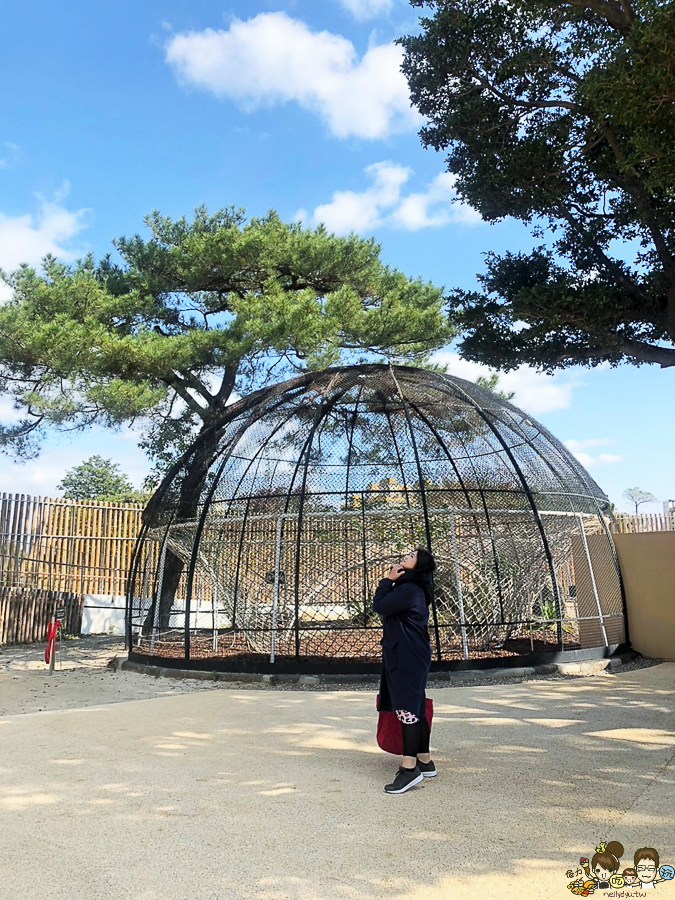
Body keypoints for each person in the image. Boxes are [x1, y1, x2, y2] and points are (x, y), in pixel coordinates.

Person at [372, 547, 436, 794]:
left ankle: (409, 769)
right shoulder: (413, 588)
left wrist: (387, 580)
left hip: (406, 655)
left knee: (407, 709)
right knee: (415, 704)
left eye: (412, 556)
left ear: (418, 566)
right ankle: (424, 759)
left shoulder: (408, 589)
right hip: (413, 652)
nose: (406, 555)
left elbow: (380, 605)